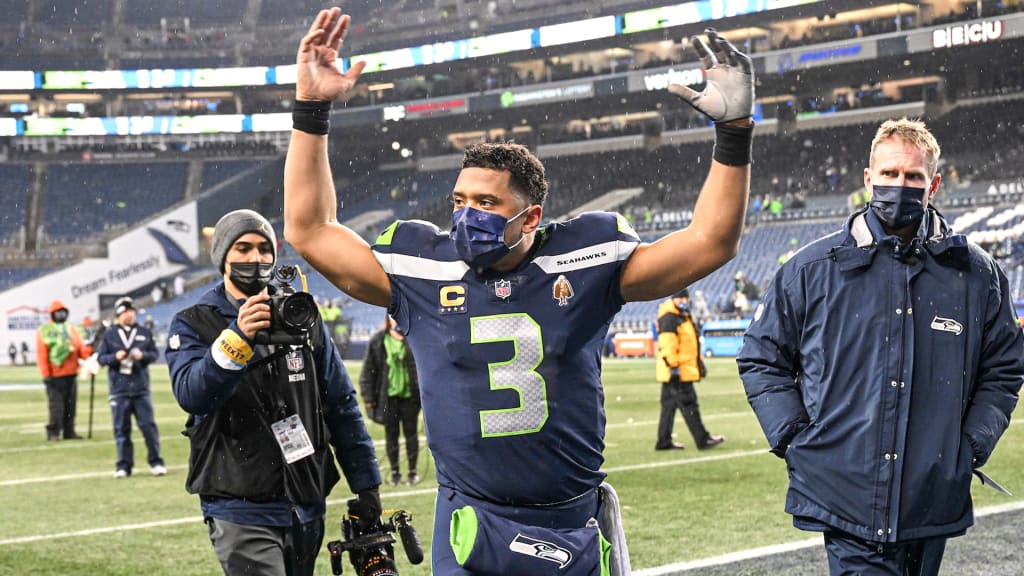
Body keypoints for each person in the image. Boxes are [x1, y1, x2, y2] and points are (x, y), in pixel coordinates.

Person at [283, 8, 754, 574]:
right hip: (470, 521)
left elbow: (711, 242)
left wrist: (733, 134)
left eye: (486, 204)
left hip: (569, 519)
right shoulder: (421, 266)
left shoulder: (585, 257)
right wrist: (311, 110)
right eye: (459, 200)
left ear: (530, 217)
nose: (466, 216)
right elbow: (309, 229)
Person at [737, 118, 1024, 576]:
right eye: (889, 174)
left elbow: (1004, 369)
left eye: (912, 177)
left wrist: (967, 447)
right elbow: (761, 357)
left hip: (931, 495)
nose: (899, 185)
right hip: (845, 492)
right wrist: (794, 438)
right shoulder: (812, 269)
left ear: (934, 184)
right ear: (868, 179)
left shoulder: (976, 274)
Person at [165, 209, 381, 576]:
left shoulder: (300, 315)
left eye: (265, 249)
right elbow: (192, 394)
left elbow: (340, 403)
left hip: (305, 497)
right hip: (239, 500)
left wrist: (366, 483)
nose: (256, 258)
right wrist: (237, 338)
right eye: (244, 248)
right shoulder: (194, 321)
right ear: (223, 257)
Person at [96, 296, 166, 478]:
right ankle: (124, 465)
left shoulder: (143, 331)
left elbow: (154, 353)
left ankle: (156, 461)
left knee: (148, 427)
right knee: (121, 429)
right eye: (126, 311)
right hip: (119, 389)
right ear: (119, 315)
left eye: (131, 311)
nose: (129, 314)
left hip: (140, 387)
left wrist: (141, 356)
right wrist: (115, 358)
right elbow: (101, 358)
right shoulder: (110, 334)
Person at [654, 289, 724, 451]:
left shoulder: (680, 315)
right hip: (677, 371)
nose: (685, 300)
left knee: (669, 407)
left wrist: (699, 365)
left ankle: (663, 442)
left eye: (686, 297)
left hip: (679, 369)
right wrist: (673, 367)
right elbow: (668, 344)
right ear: (675, 299)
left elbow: (690, 345)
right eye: (682, 298)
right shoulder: (671, 317)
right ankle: (703, 439)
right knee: (689, 404)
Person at [359, 313, 422, 487]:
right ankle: (395, 472)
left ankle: (412, 472)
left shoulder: (413, 338)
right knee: (391, 435)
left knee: (411, 435)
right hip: (388, 398)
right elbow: (368, 371)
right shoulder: (378, 340)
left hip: (410, 397)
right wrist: (369, 399)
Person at [36, 300, 90, 441]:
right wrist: (46, 374)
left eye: (63, 312)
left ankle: (69, 431)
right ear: (52, 314)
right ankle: (53, 432)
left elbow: (80, 349)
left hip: (71, 373)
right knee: (56, 407)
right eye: (58, 312)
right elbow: (42, 354)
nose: (61, 315)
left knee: (70, 406)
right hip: (55, 375)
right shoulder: (46, 330)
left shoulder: (72, 329)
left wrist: (89, 352)